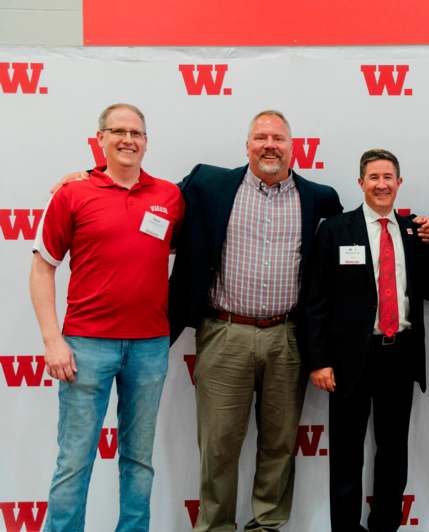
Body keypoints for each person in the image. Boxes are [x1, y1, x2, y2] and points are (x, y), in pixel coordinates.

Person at [167, 110, 343, 531]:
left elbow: (353, 239)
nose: (269, 145)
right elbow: (145, 197)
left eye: (278, 138)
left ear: (292, 147)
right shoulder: (209, 184)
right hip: (225, 333)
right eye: (261, 137)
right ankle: (214, 527)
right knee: (219, 445)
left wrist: (416, 230)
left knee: (280, 445)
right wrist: (88, 175)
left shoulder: (320, 197)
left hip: (287, 338)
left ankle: (267, 525)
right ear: (247, 146)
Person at [30, 103, 183, 532]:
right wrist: (51, 340)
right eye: (118, 131)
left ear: (146, 142)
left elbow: (171, 249)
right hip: (85, 346)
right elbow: (43, 266)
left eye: (136, 132)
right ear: (100, 139)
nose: (128, 140)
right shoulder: (73, 193)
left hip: (150, 347)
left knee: (139, 461)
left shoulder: (168, 196)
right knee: (75, 458)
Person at [306, 148, 428, 532]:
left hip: (400, 355)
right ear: (361, 183)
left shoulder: (412, 232)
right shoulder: (336, 230)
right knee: (345, 453)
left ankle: (385, 525)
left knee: (393, 453)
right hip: (349, 360)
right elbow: (315, 299)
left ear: (399, 183)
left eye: (388, 177)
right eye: (373, 177)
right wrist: (319, 360)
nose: (381, 184)